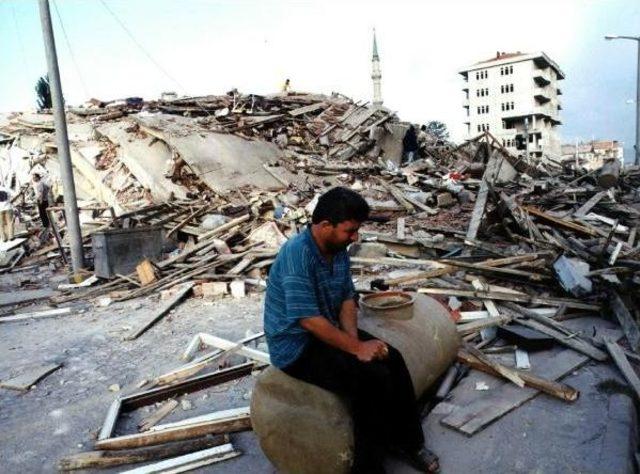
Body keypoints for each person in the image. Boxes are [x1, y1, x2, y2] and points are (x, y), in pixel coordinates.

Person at [264, 187, 439, 474]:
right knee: (370, 381)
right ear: (324, 226)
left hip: (326, 331)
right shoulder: (297, 256)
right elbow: (307, 320)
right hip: (296, 346)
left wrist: (355, 344)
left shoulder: (338, 250)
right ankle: (368, 469)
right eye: (350, 231)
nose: (354, 237)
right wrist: (356, 350)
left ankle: (408, 443)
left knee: (391, 358)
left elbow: (347, 297)